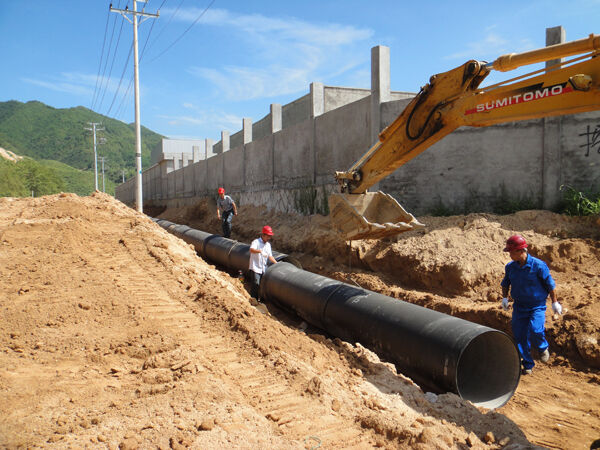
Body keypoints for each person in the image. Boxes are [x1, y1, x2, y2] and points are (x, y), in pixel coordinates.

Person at [500, 234, 562, 375]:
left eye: (511, 252)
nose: (509, 255)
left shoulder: (539, 266)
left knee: (535, 330)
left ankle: (542, 347)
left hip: (537, 306)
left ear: (521, 251)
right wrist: (505, 298)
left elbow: (550, 285)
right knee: (520, 336)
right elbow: (505, 283)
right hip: (519, 306)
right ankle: (527, 364)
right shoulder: (510, 267)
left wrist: (555, 302)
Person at [248, 225, 278, 301]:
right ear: (263, 235)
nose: (269, 238)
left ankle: (260, 300)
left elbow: (270, 256)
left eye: (270, 236)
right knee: (256, 284)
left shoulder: (268, 245)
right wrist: (259, 251)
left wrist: (277, 264)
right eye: (268, 236)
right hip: (255, 268)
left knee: (262, 285)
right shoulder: (256, 242)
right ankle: (253, 300)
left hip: (263, 268)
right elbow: (251, 250)